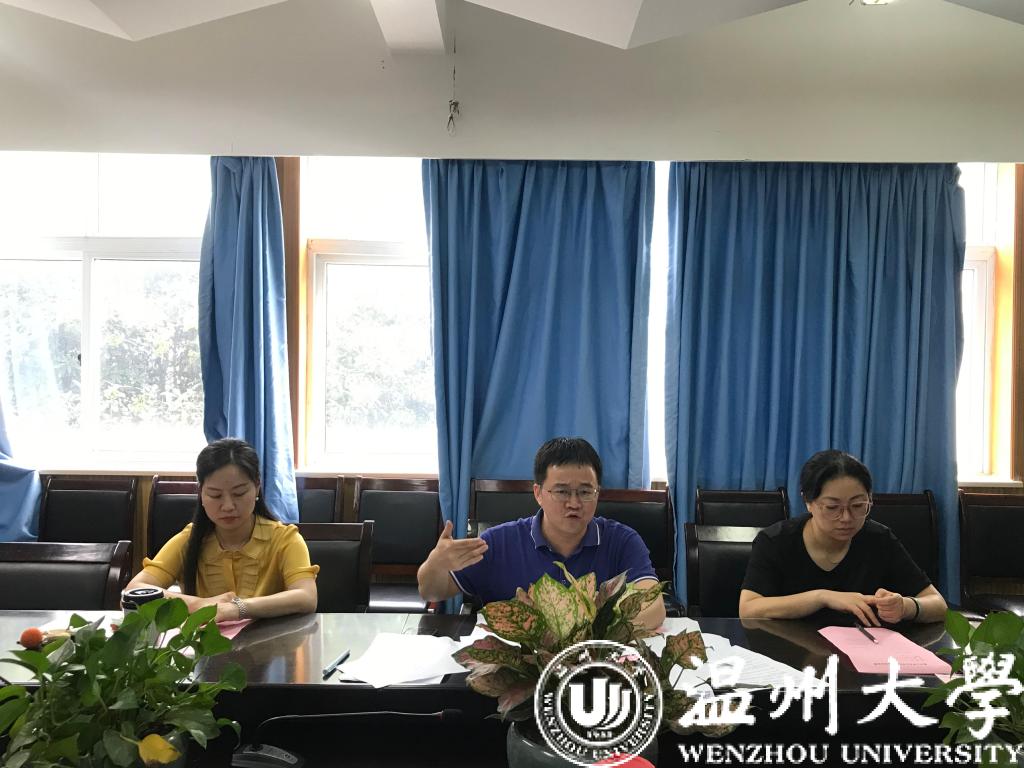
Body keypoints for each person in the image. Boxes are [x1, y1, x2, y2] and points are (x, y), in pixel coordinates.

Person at [417, 436, 666, 630]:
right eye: (561, 491)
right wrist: (436, 564)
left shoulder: (622, 541)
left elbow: (654, 608)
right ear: (538, 493)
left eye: (585, 492)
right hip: (518, 669)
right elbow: (431, 591)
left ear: (597, 493)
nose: (574, 503)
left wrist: (582, 630)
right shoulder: (498, 543)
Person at [738, 449, 947, 626]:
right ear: (808, 502)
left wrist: (906, 606)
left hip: (862, 653)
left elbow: (938, 605)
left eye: (858, 505)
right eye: (832, 507)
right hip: (790, 655)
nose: (846, 518)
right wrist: (822, 597)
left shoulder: (879, 540)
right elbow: (748, 609)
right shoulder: (776, 541)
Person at [125, 438, 318, 622]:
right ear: (201, 492)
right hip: (205, 643)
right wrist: (199, 604)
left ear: (257, 487)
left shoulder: (285, 539)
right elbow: (134, 590)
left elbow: (307, 597)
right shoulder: (190, 539)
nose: (228, 506)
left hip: (271, 643)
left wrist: (237, 609)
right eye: (215, 495)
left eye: (239, 493)